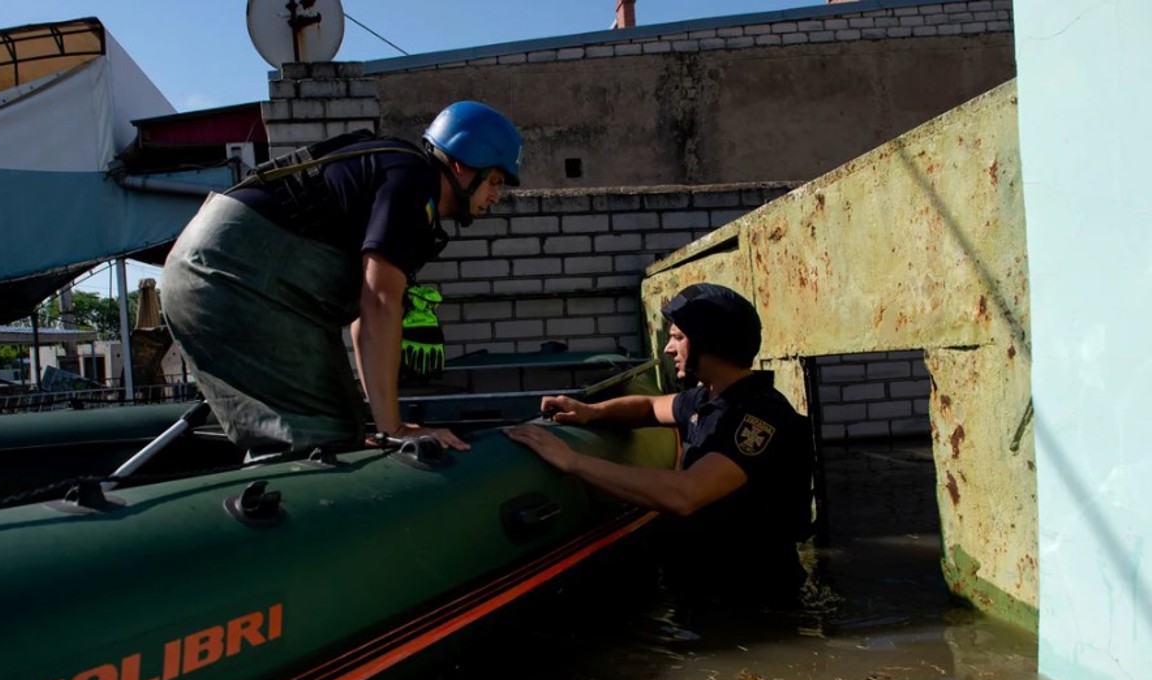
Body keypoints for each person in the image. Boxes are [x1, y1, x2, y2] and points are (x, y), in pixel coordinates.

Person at [161, 101, 522, 457]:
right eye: (493, 180)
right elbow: (378, 302)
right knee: (319, 432)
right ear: (461, 165)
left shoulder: (398, 167)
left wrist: (383, 425)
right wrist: (393, 429)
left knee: (343, 425)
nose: (495, 196)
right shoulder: (413, 181)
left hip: (216, 270)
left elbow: (364, 314)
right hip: (229, 277)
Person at [504, 283, 813, 607]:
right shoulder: (707, 398)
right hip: (705, 590)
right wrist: (590, 412)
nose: (668, 348)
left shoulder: (758, 416)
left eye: (678, 337)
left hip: (751, 602)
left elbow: (686, 493)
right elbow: (650, 407)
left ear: (709, 341)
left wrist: (574, 462)